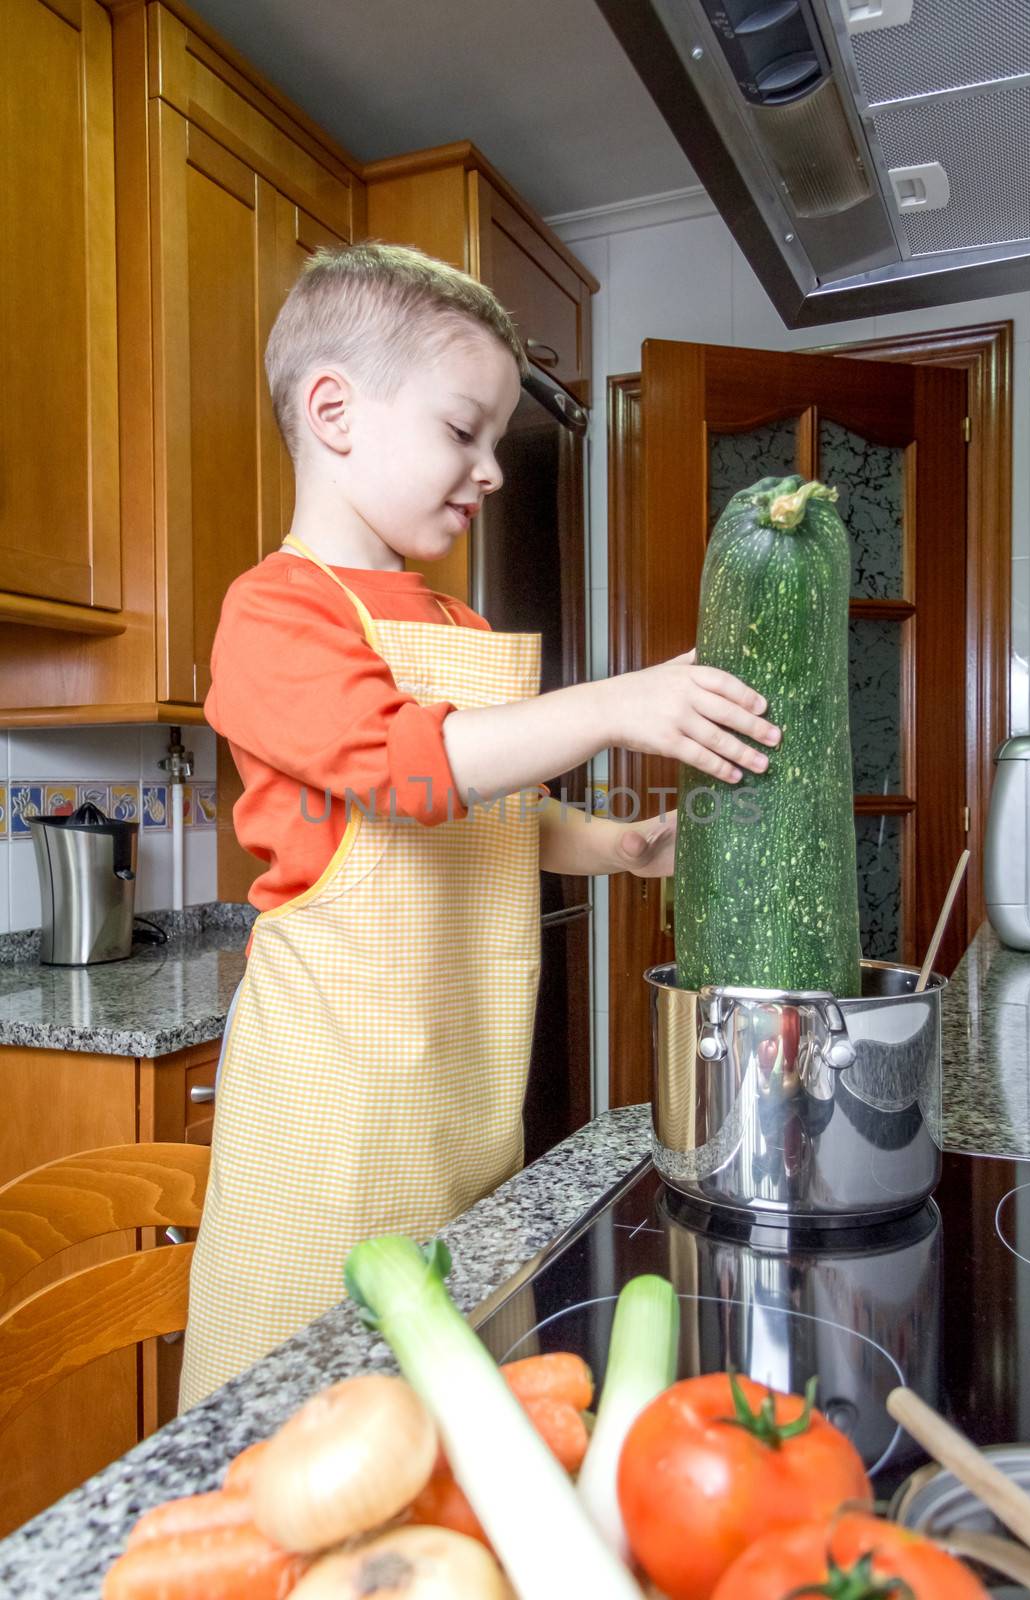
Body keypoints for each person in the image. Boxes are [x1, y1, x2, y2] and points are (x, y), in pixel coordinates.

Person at [178, 242, 780, 1410]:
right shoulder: (274, 613)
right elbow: (412, 770)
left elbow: (487, 808)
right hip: (331, 1121)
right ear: (334, 411)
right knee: (306, 1426)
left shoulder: (453, 615)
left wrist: (612, 845)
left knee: (447, 1418)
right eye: (465, 430)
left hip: (462, 1103)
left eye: (495, 438)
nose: (491, 469)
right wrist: (617, 704)